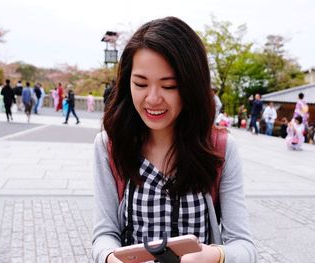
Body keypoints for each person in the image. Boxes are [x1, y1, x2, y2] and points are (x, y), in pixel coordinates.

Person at [92, 16, 256, 263]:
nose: (153, 98)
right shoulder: (110, 145)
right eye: (141, 83)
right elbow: (104, 234)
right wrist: (111, 258)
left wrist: (214, 256)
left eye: (169, 86)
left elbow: (244, 247)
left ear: (191, 86)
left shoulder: (219, 148)